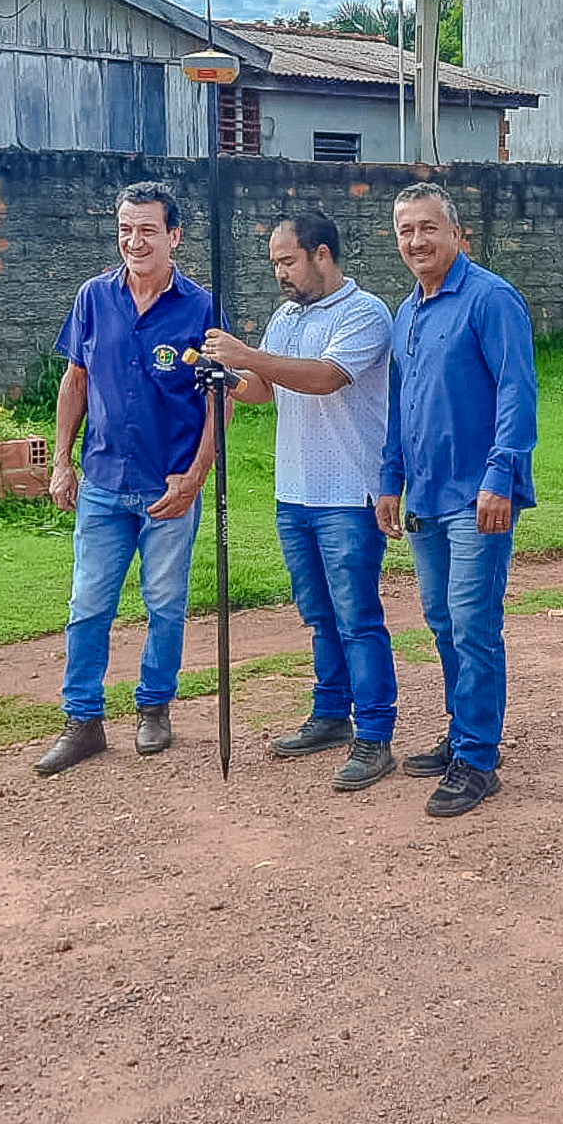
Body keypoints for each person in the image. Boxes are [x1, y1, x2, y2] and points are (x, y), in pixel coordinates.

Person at [201, 212, 400, 793]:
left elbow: (322, 378)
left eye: (287, 261)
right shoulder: (287, 317)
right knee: (318, 616)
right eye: (274, 264)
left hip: (347, 493)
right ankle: (332, 713)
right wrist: (226, 375)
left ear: (321, 255)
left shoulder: (365, 312)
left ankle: (375, 734)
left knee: (357, 618)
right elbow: (265, 389)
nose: (280, 274)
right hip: (295, 491)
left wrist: (247, 355)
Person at [35, 182, 221, 776]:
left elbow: (220, 401)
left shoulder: (201, 307)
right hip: (104, 482)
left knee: (165, 605)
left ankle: (154, 708)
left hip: (170, 487)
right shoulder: (93, 297)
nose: (134, 241)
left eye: (146, 230)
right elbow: (75, 382)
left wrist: (195, 477)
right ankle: (82, 721)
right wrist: (62, 462)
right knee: (88, 606)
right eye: (125, 230)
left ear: (174, 236)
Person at [375, 183, 538, 818]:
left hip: (478, 497)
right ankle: (460, 731)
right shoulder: (408, 313)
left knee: (473, 625)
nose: (417, 241)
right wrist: (390, 478)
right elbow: (399, 405)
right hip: (426, 497)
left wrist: (502, 477)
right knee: (442, 622)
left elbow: (516, 395)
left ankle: (477, 758)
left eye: (428, 229)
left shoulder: (492, 300)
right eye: (405, 231)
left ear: (456, 234)